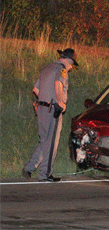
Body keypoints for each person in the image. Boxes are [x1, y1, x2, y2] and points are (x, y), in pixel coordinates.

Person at [22, 48, 79, 182]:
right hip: (52, 109)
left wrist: (44, 100)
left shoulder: (46, 68)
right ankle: (45, 174)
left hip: (41, 108)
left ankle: (29, 168)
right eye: (71, 64)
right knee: (51, 142)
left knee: (44, 141)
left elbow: (35, 89)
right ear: (68, 60)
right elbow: (58, 83)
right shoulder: (61, 69)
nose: (70, 68)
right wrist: (59, 102)